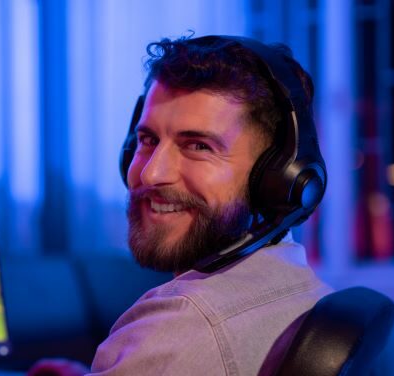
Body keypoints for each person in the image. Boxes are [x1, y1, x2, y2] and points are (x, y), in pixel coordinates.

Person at [83, 35, 333, 375]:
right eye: (147, 140)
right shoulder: (308, 295)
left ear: (276, 179)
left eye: (198, 146)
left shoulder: (174, 332)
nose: (151, 173)